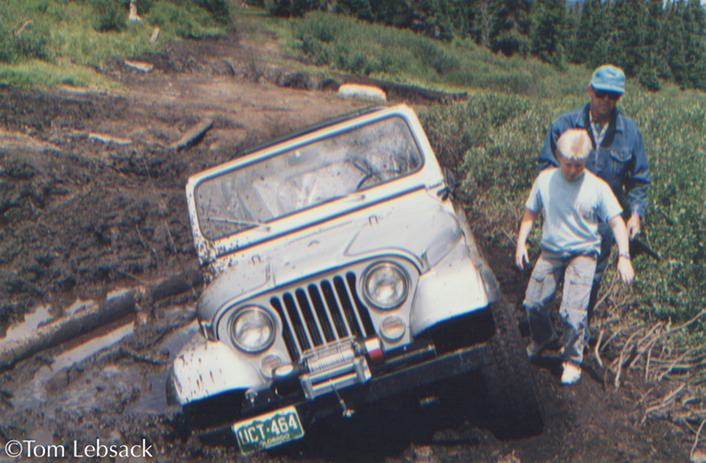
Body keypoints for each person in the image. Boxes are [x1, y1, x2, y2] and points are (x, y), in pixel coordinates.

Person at [516, 128, 635, 385]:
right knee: (533, 303)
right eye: (568, 164)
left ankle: (572, 360)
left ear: (586, 161)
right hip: (552, 250)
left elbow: (617, 222)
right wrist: (521, 242)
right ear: (559, 157)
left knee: (573, 312)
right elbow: (530, 213)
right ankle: (543, 338)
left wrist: (623, 256)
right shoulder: (545, 180)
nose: (572, 170)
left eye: (579, 165)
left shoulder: (597, 187)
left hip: (583, 253)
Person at [538, 64, 650, 316]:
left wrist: (635, 215)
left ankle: (577, 333)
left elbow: (639, 180)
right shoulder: (563, 125)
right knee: (547, 281)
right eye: (601, 93)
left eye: (614, 96)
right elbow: (545, 168)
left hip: (601, 226)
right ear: (589, 90)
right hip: (563, 220)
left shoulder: (630, 132)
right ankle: (544, 331)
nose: (606, 100)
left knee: (590, 282)